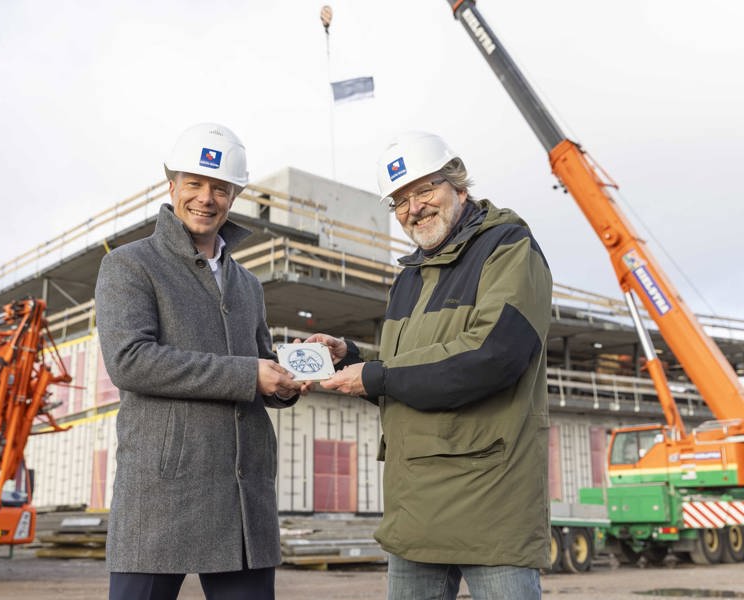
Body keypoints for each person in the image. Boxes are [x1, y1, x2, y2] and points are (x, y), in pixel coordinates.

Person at [308, 131, 553, 600]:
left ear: (459, 185)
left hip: (490, 501)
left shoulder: (507, 248)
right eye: (399, 201)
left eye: (425, 190)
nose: (413, 208)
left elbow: (493, 356)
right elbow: (409, 362)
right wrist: (354, 355)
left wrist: (377, 377)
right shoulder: (409, 277)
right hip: (414, 505)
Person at [95, 122, 302, 600]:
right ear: (172, 187)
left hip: (241, 498)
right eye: (195, 184)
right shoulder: (130, 265)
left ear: (233, 196)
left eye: (219, 187)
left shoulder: (247, 283)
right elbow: (130, 360)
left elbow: (260, 363)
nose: (206, 198)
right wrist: (249, 374)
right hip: (162, 493)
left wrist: (286, 379)